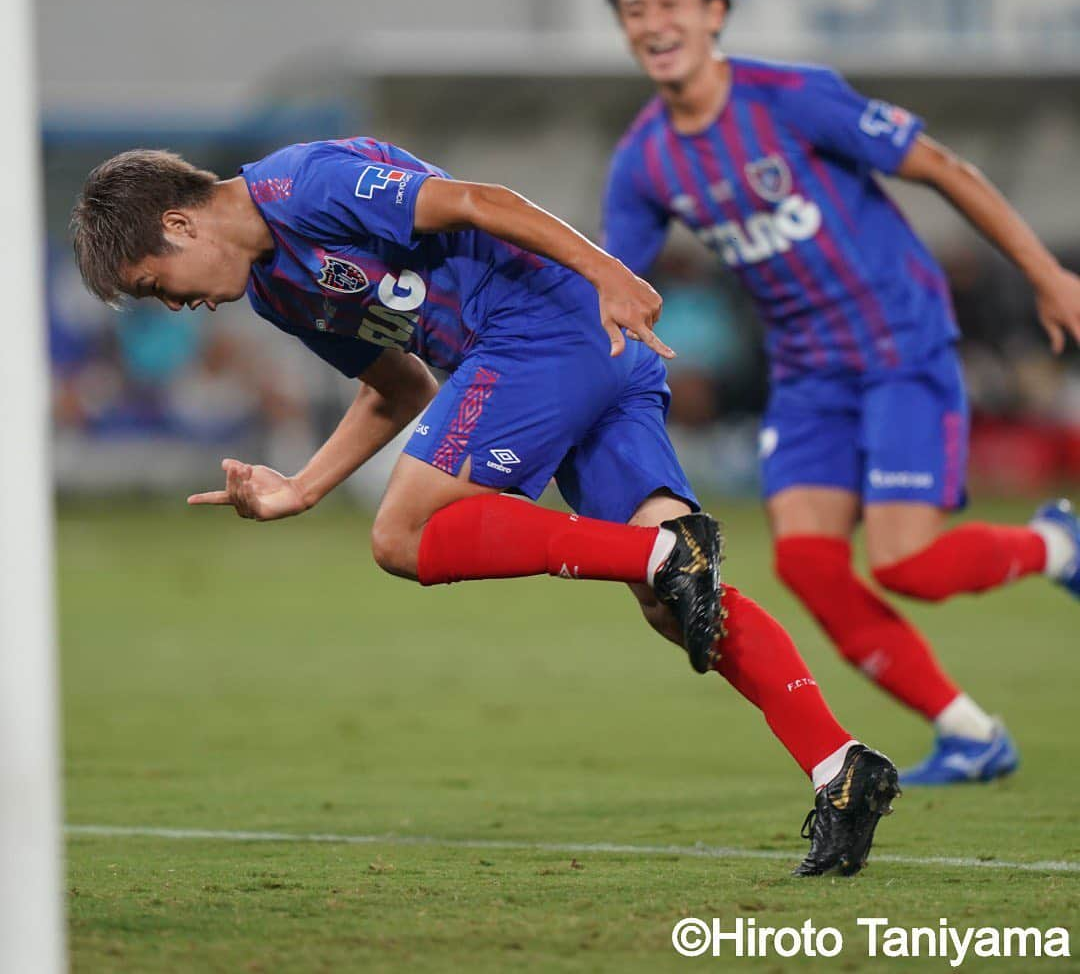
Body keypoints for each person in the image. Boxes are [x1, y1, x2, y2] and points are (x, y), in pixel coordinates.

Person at [72, 138, 900, 875]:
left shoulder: (302, 184)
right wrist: (302, 487)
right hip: (576, 354)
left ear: (179, 226)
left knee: (403, 535)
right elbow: (395, 385)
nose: (178, 308)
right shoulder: (277, 292)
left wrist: (608, 272)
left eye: (159, 286)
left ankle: (662, 551)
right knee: (674, 607)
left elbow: (480, 202)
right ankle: (839, 767)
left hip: (541, 330)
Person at [601, 0, 1080, 786]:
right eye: (633, 10)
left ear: (715, 10)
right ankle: (971, 734)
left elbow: (940, 166)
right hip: (808, 374)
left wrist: (1048, 274)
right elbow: (610, 283)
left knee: (909, 565)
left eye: (669, 1)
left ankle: (1057, 546)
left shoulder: (792, 96)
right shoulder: (643, 161)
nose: (651, 22)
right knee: (807, 563)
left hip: (902, 348)